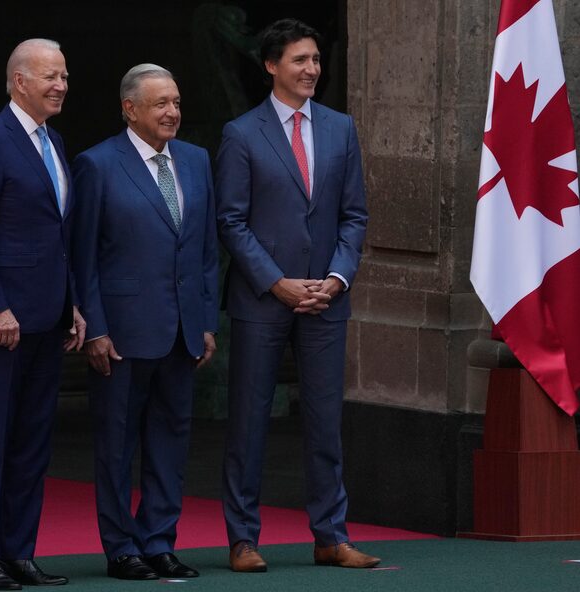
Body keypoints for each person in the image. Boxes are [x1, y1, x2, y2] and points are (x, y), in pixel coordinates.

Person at [216, 19, 378, 572]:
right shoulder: (241, 134)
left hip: (326, 299)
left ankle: (331, 535)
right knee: (249, 420)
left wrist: (336, 278)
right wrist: (277, 282)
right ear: (270, 66)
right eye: (299, 60)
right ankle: (243, 539)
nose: (312, 69)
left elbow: (354, 216)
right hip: (264, 300)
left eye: (315, 59)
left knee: (325, 420)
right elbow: (232, 222)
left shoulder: (340, 128)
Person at [72, 64, 218, 581]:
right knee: (116, 442)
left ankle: (159, 540)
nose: (172, 112)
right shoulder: (97, 164)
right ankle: (121, 547)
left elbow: (204, 251)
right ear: (129, 109)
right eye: (160, 104)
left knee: (171, 440)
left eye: (176, 102)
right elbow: (83, 256)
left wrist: (205, 319)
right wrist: (95, 328)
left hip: (182, 331)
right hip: (122, 333)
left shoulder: (197, 161)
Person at [0, 38, 85, 590]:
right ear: (18, 82)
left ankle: (20, 552)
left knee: (33, 440)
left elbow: (58, 236)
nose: (60, 85)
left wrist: (72, 303)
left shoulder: (53, 140)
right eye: (50, 76)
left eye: (64, 76)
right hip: (1, 323)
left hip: (49, 317)